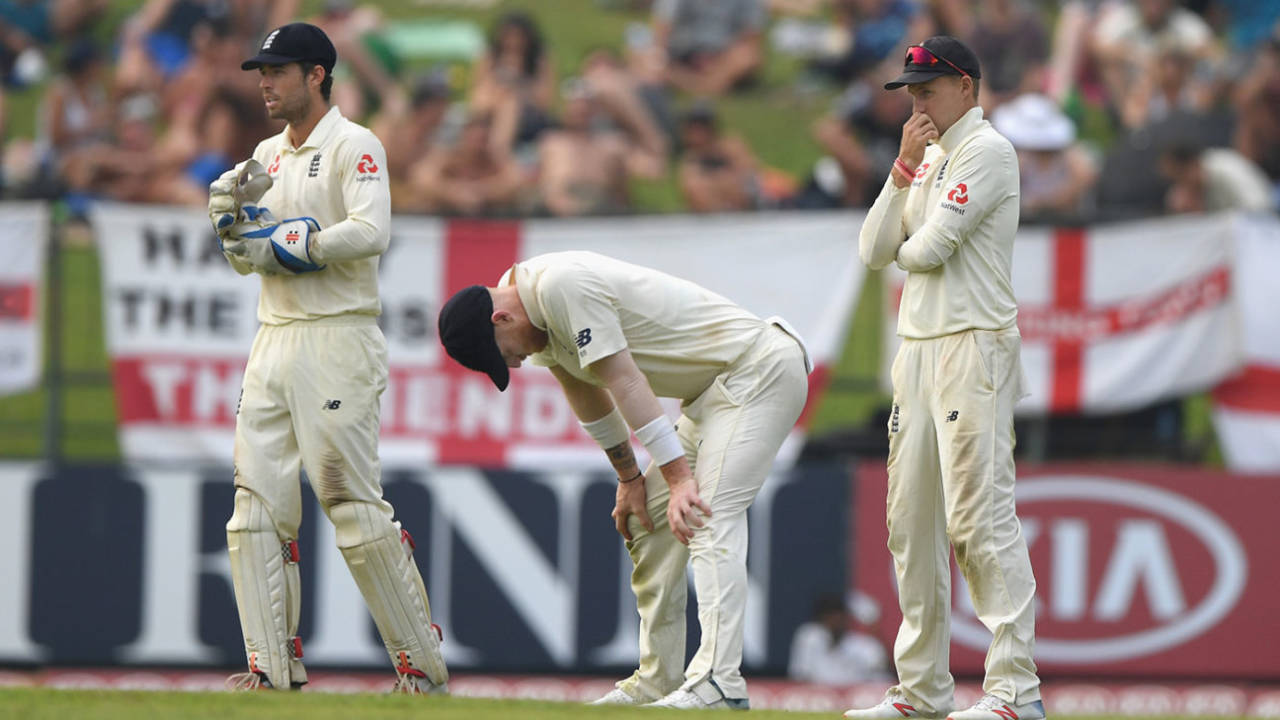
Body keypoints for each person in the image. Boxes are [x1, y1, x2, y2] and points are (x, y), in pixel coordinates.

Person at [436, 251, 811, 710]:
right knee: (645, 521)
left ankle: (719, 682)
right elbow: (583, 389)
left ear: (501, 316)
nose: (512, 365)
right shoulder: (529, 308)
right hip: (708, 396)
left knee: (704, 514)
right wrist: (630, 476)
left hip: (758, 371)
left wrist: (677, 478)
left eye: (503, 354)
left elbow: (625, 382)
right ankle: (658, 680)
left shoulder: (559, 287)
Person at [206, 22, 447, 694]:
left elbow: (372, 232)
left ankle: (419, 670)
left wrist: (294, 245)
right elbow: (249, 258)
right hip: (272, 337)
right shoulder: (261, 157)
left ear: (317, 75)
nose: (265, 84)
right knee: (253, 511)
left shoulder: (354, 145)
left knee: (350, 506)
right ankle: (270, 670)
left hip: (338, 336)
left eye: (279, 72)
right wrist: (232, 233)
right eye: (261, 72)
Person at [845, 37, 1042, 720]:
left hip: (972, 347)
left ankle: (1015, 692)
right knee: (911, 524)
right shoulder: (925, 158)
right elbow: (875, 251)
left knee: (978, 520)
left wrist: (908, 225)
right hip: (919, 351)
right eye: (909, 92)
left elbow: (929, 249)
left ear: (965, 85)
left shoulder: (988, 152)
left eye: (926, 89)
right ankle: (923, 692)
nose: (916, 103)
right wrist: (901, 170)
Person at [788, 593, 890, 686]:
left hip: (853, 700)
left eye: (839, 616)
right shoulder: (809, 637)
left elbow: (884, 675)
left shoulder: (862, 645)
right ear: (822, 618)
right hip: (818, 699)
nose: (835, 621)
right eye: (830, 616)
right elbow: (799, 677)